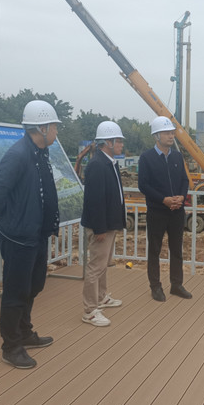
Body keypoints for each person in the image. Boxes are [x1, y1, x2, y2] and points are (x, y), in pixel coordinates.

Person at [0, 100, 60, 369]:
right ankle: (11, 346)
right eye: (54, 126)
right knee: (16, 292)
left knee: (34, 285)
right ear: (42, 128)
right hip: (19, 237)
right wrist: (9, 217)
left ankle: (25, 331)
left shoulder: (39, 153)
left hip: (36, 234)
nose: (56, 131)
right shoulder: (18, 155)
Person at [138, 116, 192, 302]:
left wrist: (181, 197)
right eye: (167, 133)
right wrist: (163, 200)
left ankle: (177, 285)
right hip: (157, 211)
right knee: (154, 250)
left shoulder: (177, 156)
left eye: (172, 133)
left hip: (177, 211)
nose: (171, 136)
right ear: (156, 136)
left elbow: (184, 180)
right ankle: (155, 286)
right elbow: (143, 185)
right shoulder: (147, 158)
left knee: (176, 249)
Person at [80, 121, 126, 327]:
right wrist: (99, 228)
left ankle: (101, 297)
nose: (121, 145)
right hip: (102, 226)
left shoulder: (109, 163)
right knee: (95, 267)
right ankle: (90, 310)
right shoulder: (97, 165)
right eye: (119, 141)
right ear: (108, 142)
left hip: (110, 223)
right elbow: (94, 200)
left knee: (103, 264)